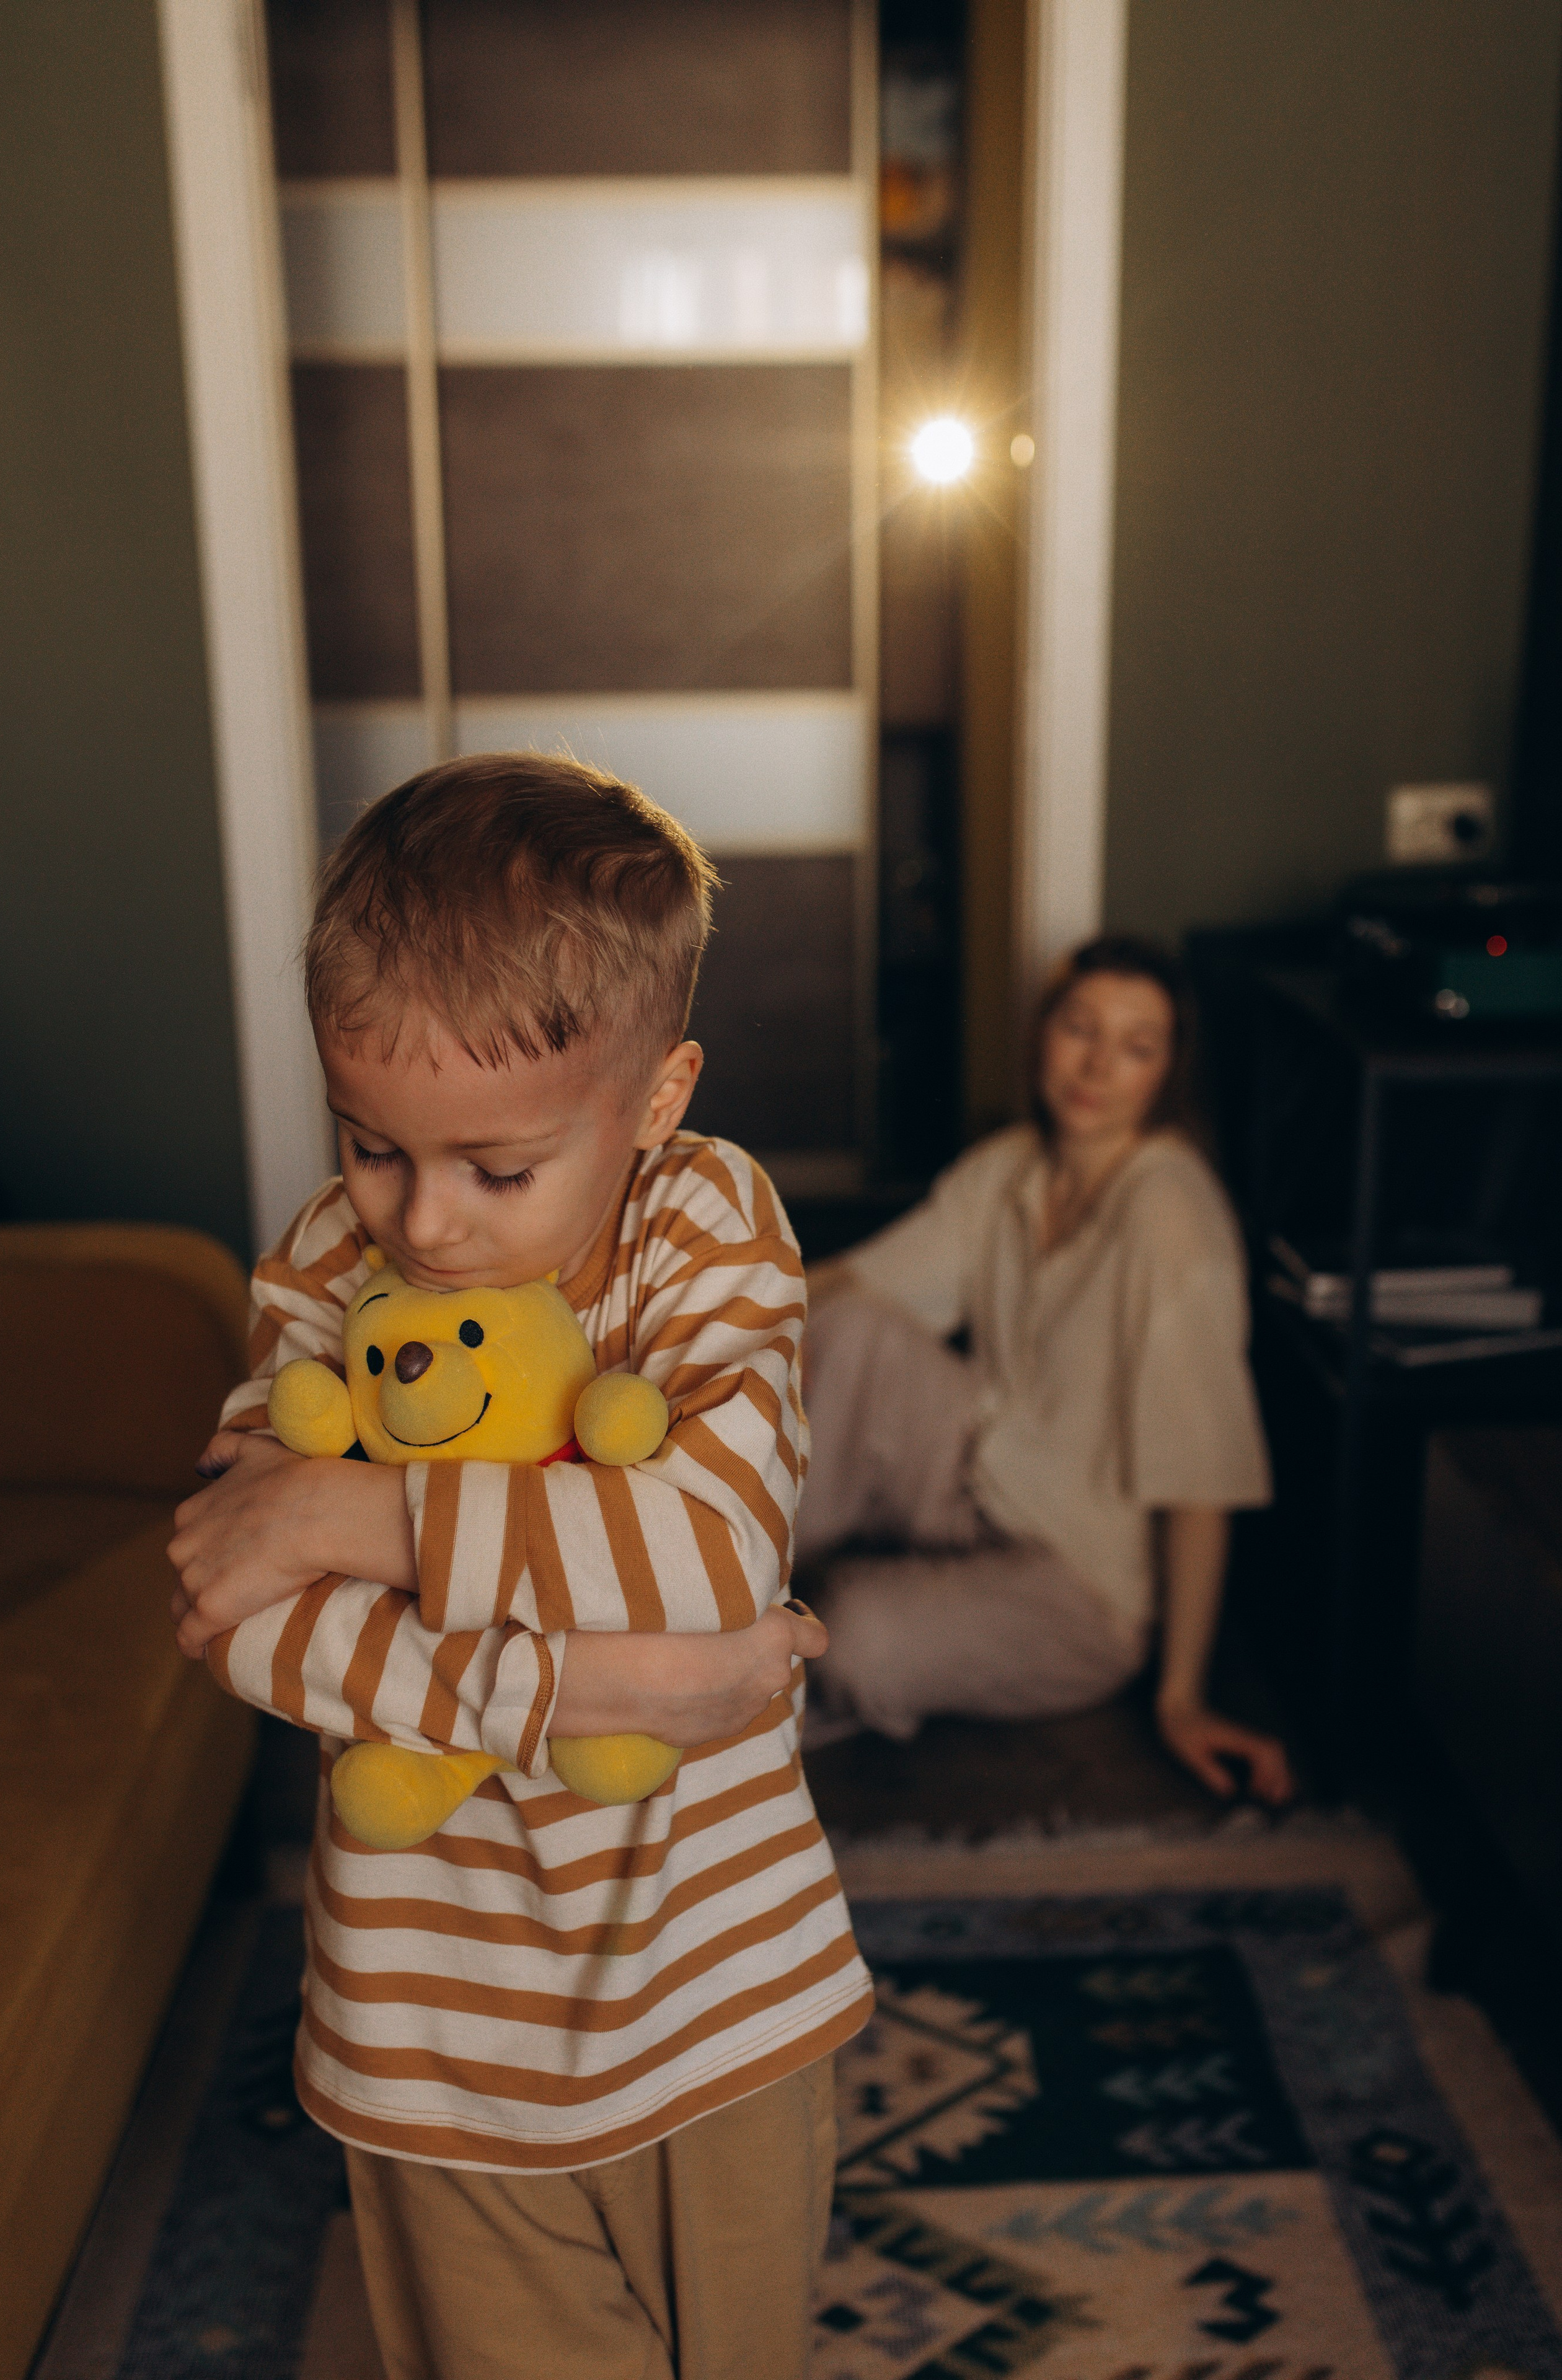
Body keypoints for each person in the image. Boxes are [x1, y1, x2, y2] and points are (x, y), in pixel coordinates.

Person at [166, 754, 872, 2380]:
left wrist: (358, 1520)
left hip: (718, 1991)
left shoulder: (706, 1226)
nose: (425, 1224)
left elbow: (709, 1550)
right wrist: (594, 1687)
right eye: (371, 1145)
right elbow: (235, 1605)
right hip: (433, 2028)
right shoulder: (319, 1271)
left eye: (499, 1169)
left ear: (657, 1097)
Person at [799, 934, 1294, 1805]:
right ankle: (710, 1587)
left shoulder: (1173, 1217)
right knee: (850, 1329)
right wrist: (696, 1297)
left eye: (1136, 1047)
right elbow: (857, 1283)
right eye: (1080, 1028)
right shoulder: (1015, 1164)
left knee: (852, 1632)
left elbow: (1202, 1483)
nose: (1098, 1065)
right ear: (1043, 1034)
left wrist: (1182, 1698)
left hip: (1080, 1584)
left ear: (1168, 1074)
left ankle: (770, 1657)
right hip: (979, 1469)